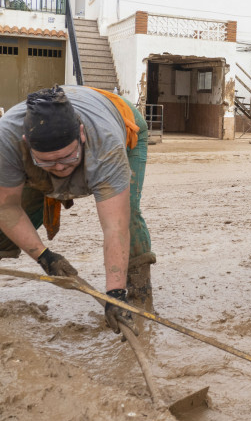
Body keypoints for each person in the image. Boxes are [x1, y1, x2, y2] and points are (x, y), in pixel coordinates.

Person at [0, 85, 155, 336]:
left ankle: (139, 297)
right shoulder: (6, 139)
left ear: (81, 135)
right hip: (46, 150)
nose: (60, 168)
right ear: (26, 144)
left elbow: (115, 226)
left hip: (120, 119)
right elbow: (6, 207)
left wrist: (114, 295)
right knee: (13, 211)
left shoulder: (106, 144)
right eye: (49, 161)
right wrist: (44, 256)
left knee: (129, 215)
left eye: (67, 158)